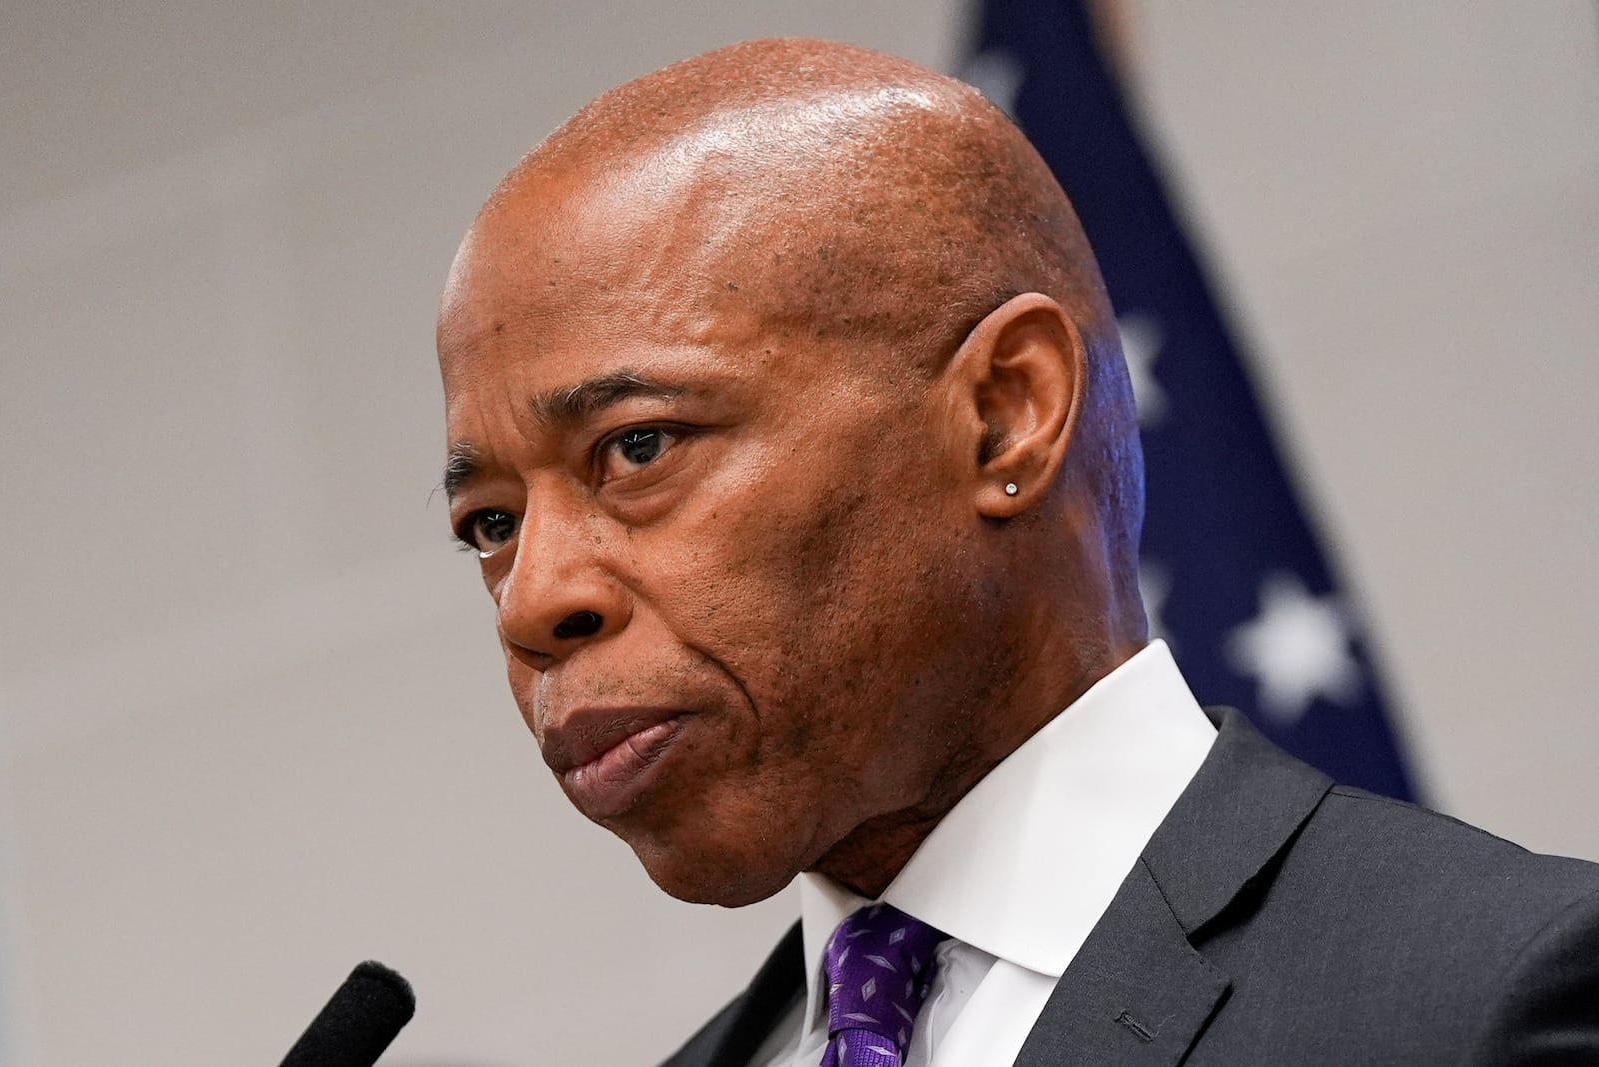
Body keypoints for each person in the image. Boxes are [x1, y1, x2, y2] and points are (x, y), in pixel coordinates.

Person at [435, 37, 1599, 1067]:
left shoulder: (1479, 1002)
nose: (532, 599)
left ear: (1005, 412)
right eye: (491, 522)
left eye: (637, 446)